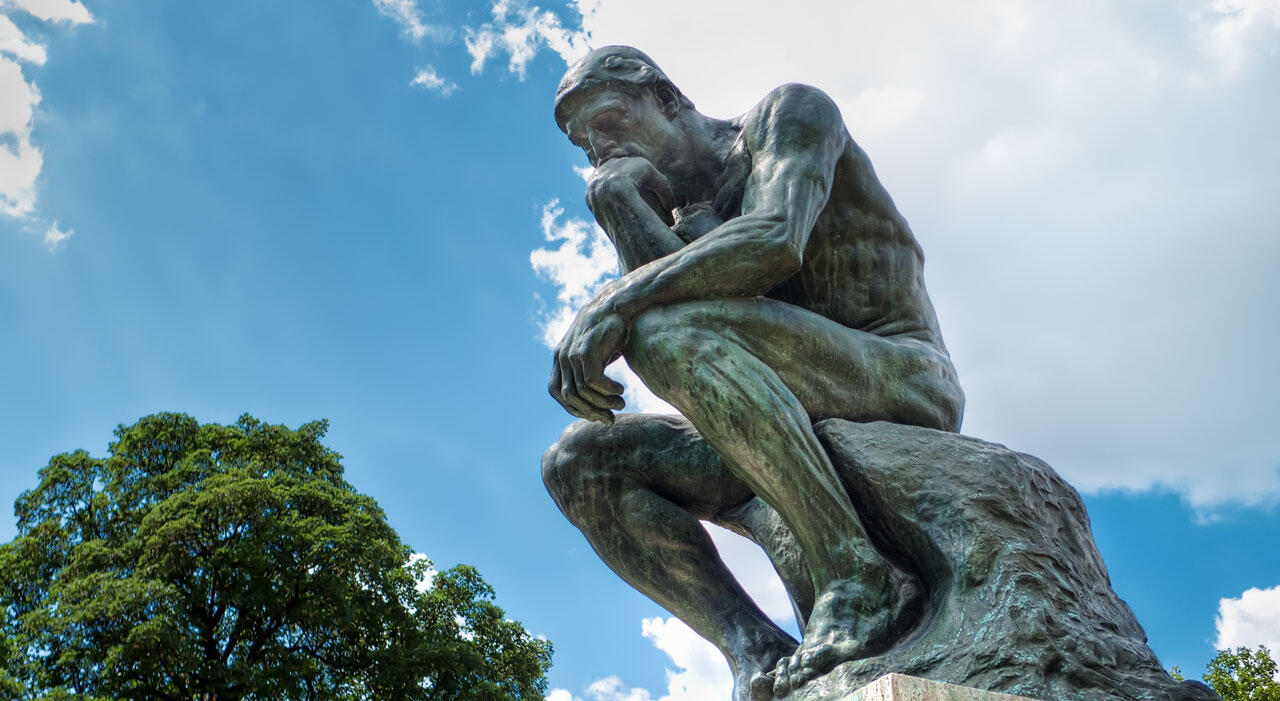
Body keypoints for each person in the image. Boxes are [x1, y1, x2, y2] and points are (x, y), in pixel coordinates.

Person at [541, 46, 964, 700]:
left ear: (668, 98)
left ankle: (860, 580)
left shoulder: (786, 117)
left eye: (611, 118)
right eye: (584, 140)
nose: (599, 145)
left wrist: (614, 299)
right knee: (579, 461)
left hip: (892, 372)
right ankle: (755, 652)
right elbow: (676, 303)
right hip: (767, 402)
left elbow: (775, 240)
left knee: (660, 330)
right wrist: (621, 205)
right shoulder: (679, 219)